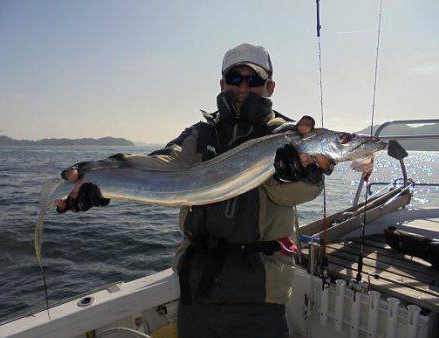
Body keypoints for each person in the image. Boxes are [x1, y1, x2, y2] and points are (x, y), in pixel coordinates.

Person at [57, 43, 333, 338]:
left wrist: (302, 173)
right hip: (198, 285)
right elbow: (161, 165)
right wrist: (100, 176)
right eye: (235, 78)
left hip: (260, 290)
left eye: (253, 80)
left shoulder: (287, 137)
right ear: (222, 83)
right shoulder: (199, 135)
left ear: (270, 86)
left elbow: (299, 193)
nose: (243, 86)